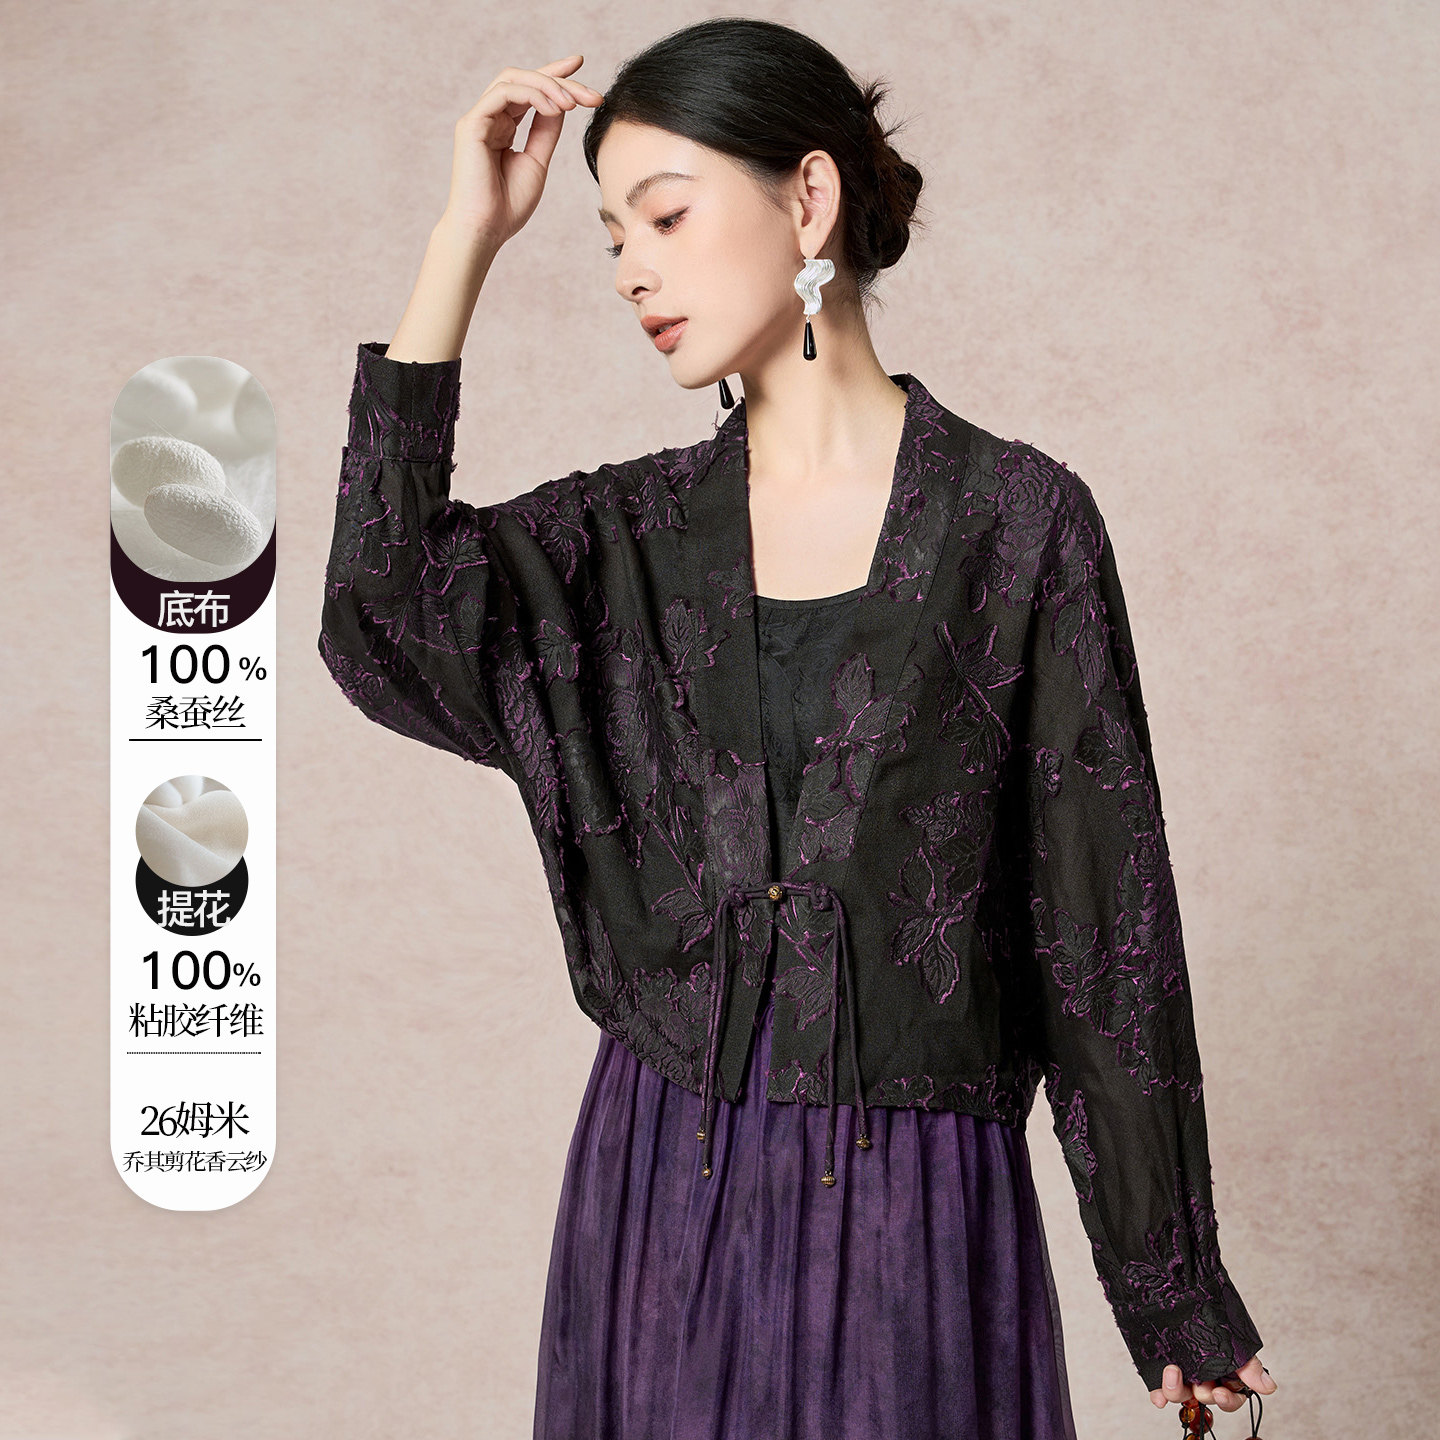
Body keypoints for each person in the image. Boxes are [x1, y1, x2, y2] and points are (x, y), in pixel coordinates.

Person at [318, 19, 1277, 1438]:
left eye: (666, 216)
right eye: (609, 239)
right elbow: (379, 610)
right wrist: (465, 240)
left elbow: (1101, 927)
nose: (631, 269)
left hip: (916, 1214)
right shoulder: (619, 542)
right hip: (658, 1198)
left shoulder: (1018, 527)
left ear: (809, 199)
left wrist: (1170, 1284)